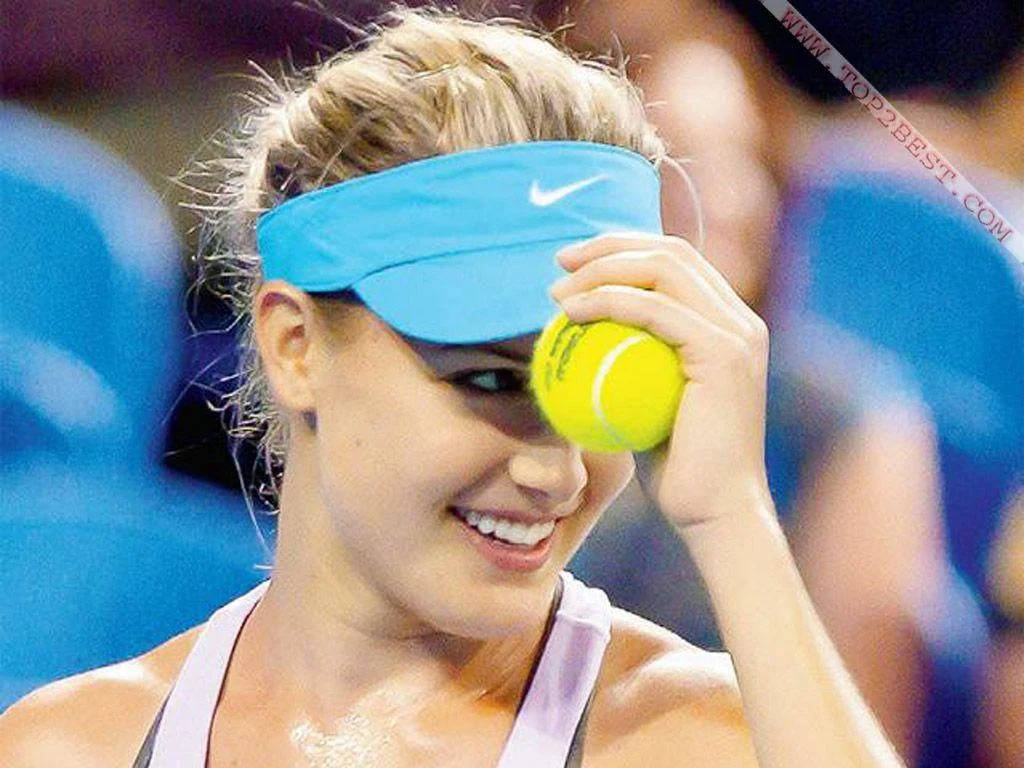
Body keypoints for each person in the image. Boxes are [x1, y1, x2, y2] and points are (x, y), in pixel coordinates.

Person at [0, 7, 908, 767]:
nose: (556, 473)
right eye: (486, 376)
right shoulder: (70, 748)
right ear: (294, 345)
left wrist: (733, 519)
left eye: (586, 392)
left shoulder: (684, 736)